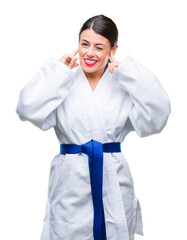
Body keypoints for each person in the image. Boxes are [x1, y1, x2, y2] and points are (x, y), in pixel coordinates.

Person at [16, 15, 171, 240]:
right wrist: (58, 71)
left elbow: (158, 116)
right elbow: (26, 108)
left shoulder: (123, 84)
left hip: (113, 177)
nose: (89, 53)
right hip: (70, 181)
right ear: (77, 43)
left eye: (99, 47)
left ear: (113, 49)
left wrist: (128, 73)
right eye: (84, 44)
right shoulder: (63, 83)